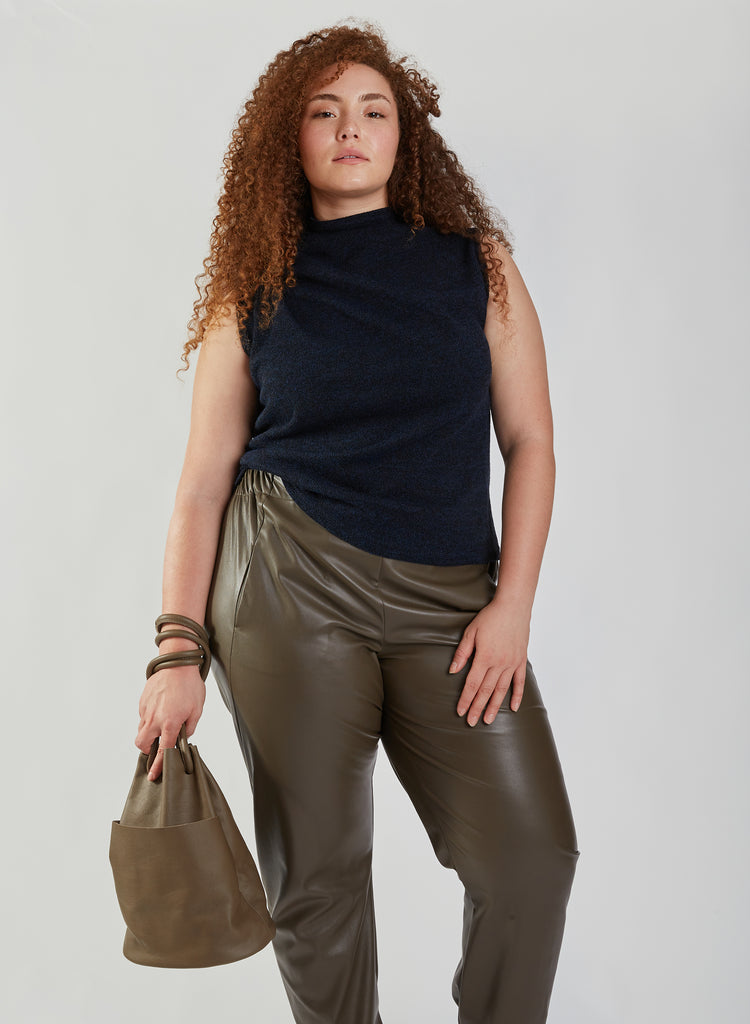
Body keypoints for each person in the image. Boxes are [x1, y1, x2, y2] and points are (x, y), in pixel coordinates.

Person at [135, 21, 580, 1024]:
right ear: (286, 139)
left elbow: (532, 442)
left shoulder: (479, 266)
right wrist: (176, 651)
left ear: (403, 135)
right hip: (286, 583)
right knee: (320, 884)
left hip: (455, 604)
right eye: (325, 112)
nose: (350, 129)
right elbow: (202, 483)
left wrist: (513, 603)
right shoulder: (253, 285)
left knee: (532, 858)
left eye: (375, 111)